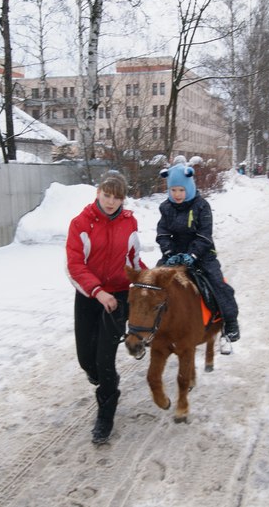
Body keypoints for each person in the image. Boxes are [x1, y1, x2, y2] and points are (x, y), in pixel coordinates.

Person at [66, 171, 146, 444]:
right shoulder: (81, 223)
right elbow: (75, 265)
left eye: (117, 196)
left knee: (105, 359)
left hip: (119, 297)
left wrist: (148, 280)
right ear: (98, 192)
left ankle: (106, 413)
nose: (111, 201)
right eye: (107, 194)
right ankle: (100, 376)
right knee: (86, 359)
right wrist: (97, 291)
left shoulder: (129, 221)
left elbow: (134, 259)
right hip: (89, 296)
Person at [156, 163, 240, 342]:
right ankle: (151, 323)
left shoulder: (201, 206)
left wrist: (192, 255)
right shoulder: (166, 207)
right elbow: (163, 233)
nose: (177, 194)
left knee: (217, 283)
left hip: (202, 254)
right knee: (152, 282)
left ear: (189, 187)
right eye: (173, 190)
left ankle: (230, 321)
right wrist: (169, 252)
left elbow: (204, 234)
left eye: (181, 189)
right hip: (175, 253)